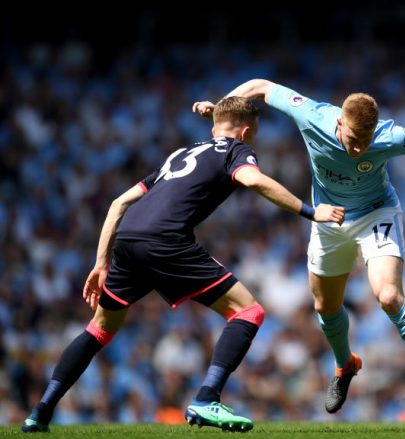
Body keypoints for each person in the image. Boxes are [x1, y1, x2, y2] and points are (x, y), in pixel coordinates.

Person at [193, 81, 405, 416]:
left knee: (389, 296)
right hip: (328, 219)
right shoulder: (312, 115)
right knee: (325, 306)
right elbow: (263, 86)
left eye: (365, 142)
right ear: (340, 123)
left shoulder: (388, 136)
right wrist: (221, 106)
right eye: (353, 140)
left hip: (376, 213)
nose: (357, 149)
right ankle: (344, 366)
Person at [21, 97, 345, 433]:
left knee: (99, 328)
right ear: (247, 130)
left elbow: (119, 203)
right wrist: (310, 211)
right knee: (248, 312)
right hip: (165, 239)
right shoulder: (236, 150)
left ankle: (40, 412)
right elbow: (253, 180)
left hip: (128, 238)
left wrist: (101, 262)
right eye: (255, 133)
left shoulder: (179, 154)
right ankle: (207, 398)